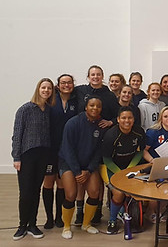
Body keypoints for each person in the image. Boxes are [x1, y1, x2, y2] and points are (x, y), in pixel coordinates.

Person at [74, 65, 118, 224]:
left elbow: (117, 116)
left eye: (98, 74)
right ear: (88, 76)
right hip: (82, 140)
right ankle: (80, 212)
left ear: (102, 76)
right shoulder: (80, 91)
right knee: (81, 176)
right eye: (93, 74)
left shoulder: (110, 95)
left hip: (102, 140)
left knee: (97, 177)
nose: (96, 77)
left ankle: (97, 210)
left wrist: (110, 122)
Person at [12, 78, 55, 241]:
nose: (46, 91)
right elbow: (17, 135)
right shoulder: (25, 109)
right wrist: (16, 156)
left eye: (49, 88)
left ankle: (32, 224)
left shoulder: (49, 111)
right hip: (26, 155)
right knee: (25, 192)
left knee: (36, 190)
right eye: (43, 88)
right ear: (38, 89)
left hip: (43, 155)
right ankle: (22, 225)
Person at [58, 96, 107, 239]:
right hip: (68, 163)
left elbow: (99, 151)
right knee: (71, 194)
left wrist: (89, 170)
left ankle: (86, 224)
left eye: (98, 106)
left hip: (88, 165)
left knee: (94, 192)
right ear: (86, 107)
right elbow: (67, 149)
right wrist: (78, 172)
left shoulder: (101, 125)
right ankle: (67, 226)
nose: (95, 108)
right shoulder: (72, 123)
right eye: (92, 105)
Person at [101, 106, 146, 234]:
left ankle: (129, 213)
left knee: (137, 190)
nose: (127, 121)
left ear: (134, 119)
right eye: (124, 118)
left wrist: (129, 169)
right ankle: (112, 220)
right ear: (118, 119)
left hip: (129, 167)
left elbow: (140, 152)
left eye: (130, 118)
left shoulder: (139, 132)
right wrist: (121, 174)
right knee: (119, 193)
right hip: (110, 167)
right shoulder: (111, 135)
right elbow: (106, 160)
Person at [43, 74, 77, 230]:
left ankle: (59, 217)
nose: (66, 85)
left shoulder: (76, 101)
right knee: (49, 183)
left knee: (62, 183)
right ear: (58, 85)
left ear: (73, 84)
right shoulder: (51, 100)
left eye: (69, 83)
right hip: (50, 148)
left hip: (67, 150)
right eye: (63, 83)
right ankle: (49, 218)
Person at [144, 106, 168, 223]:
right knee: (156, 188)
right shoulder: (153, 132)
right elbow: (144, 151)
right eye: (165, 116)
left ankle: (161, 211)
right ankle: (150, 212)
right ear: (161, 118)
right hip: (155, 165)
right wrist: (152, 160)